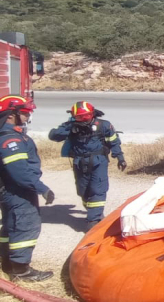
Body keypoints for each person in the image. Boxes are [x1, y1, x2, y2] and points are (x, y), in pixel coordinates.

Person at [0, 96, 55, 282]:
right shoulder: (11, 140)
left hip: (10, 190)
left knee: (10, 225)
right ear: (10, 115)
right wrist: (42, 188)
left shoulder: (8, 135)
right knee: (25, 227)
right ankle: (21, 270)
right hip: (18, 191)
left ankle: (7, 262)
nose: (27, 115)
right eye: (24, 112)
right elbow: (20, 172)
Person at [48, 101, 126, 230]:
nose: (83, 119)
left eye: (86, 116)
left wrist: (120, 157)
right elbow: (53, 136)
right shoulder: (71, 126)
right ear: (74, 116)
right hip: (79, 162)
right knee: (83, 191)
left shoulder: (104, 125)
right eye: (80, 117)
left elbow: (114, 142)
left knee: (98, 189)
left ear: (92, 114)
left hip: (99, 161)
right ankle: (93, 210)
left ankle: (93, 221)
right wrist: (70, 127)